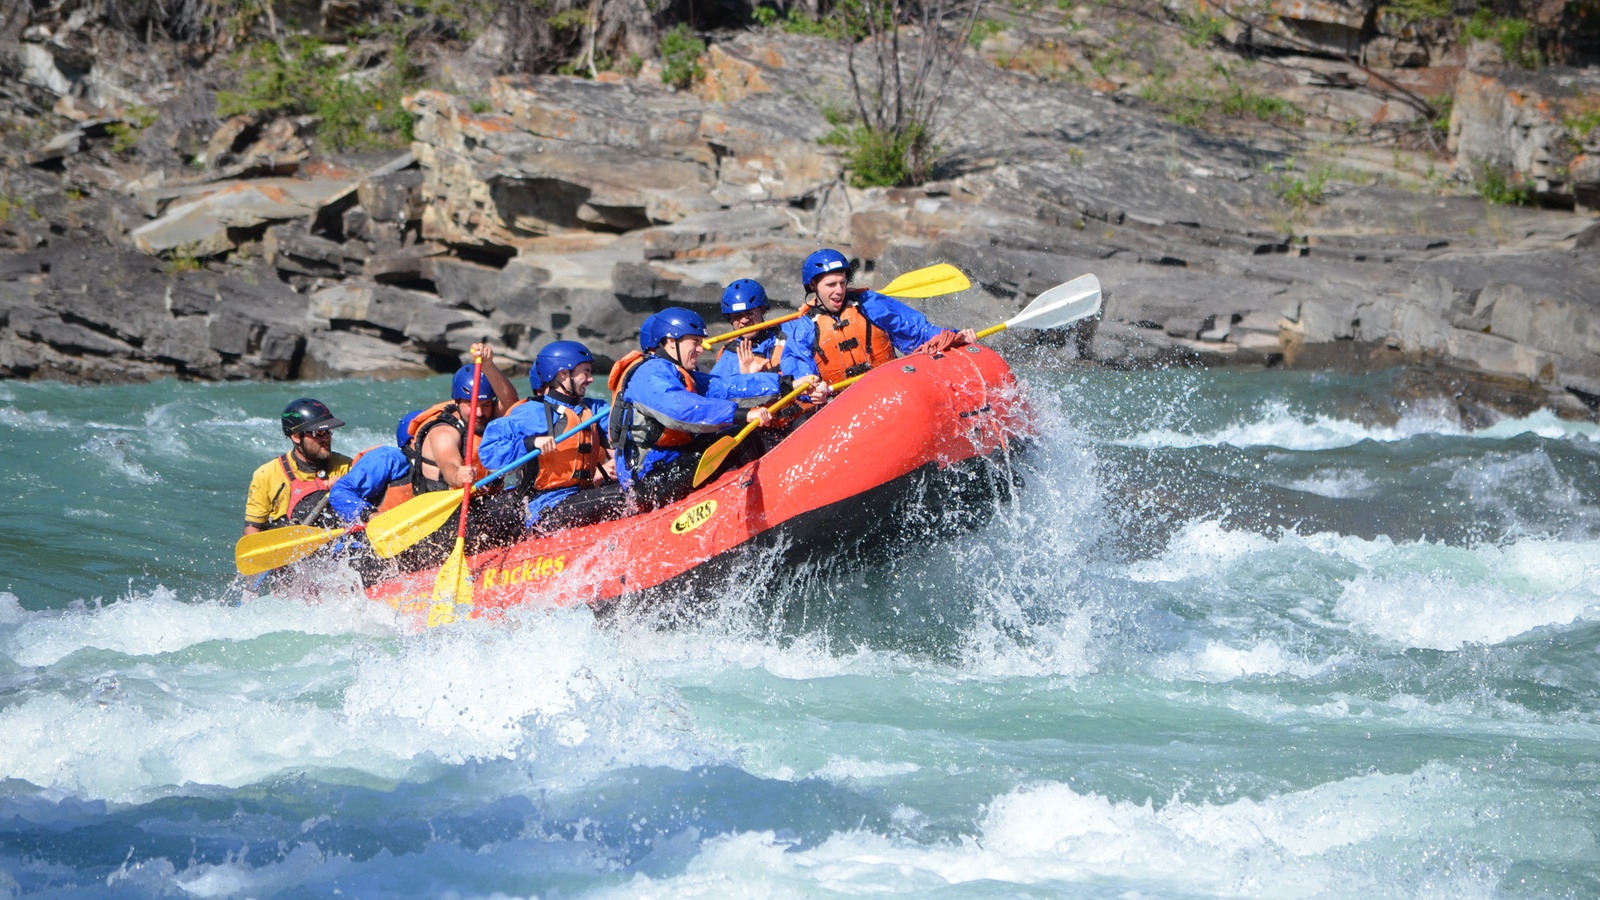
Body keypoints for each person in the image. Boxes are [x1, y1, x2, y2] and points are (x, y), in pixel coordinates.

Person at [608, 307, 821, 508]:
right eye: (695, 342)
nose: (701, 349)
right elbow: (681, 410)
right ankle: (768, 499)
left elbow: (728, 388)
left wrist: (788, 384)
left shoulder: (682, 374)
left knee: (737, 434)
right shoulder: (649, 373)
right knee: (740, 437)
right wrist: (742, 415)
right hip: (650, 480)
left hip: (672, 462)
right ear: (671, 342)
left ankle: (763, 493)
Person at [480, 340, 626, 532]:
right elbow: (488, 453)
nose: (591, 379)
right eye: (585, 372)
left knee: (631, 488)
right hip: (547, 507)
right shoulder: (533, 412)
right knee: (621, 497)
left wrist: (622, 464)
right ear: (563, 374)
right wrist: (530, 443)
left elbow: (618, 441)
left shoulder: (594, 408)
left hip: (583, 494)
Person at [781, 248, 977, 383]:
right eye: (831, 285)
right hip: (837, 404)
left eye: (842, 282)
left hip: (887, 387)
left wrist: (953, 336)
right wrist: (810, 389)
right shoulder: (803, 326)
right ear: (813, 286)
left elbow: (918, 332)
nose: (839, 290)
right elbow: (799, 369)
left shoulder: (869, 304)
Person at [405, 343, 518, 495]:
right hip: (445, 506)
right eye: (471, 405)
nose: (479, 413)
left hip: (481, 501)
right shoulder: (443, 432)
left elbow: (511, 402)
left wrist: (488, 365)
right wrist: (458, 476)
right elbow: (448, 464)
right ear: (457, 402)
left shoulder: (488, 418)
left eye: (485, 405)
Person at [243, 398, 353, 534]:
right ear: (296, 436)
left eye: (328, 432)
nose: (326, 439)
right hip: (288, 546)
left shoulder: (346, 466)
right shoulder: (267, 474)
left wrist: (344, 490)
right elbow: (253, 528)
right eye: (318, 433)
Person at [327, 410, 422, 524]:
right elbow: (340, 491)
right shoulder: (389, 458)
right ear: (413, 439)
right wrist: (370, 514)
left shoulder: (445, 469)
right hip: (368, 536)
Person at [710, 279, 783, 378]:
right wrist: (746, 378)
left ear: (762, 310)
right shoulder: (728, 353)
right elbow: (716, 389)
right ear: (730, 319)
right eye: (737, 316)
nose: (744, 321)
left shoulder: (786, 335)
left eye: (750, 313)